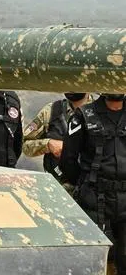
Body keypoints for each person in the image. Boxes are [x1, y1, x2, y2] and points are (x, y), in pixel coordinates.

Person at [61, 93, 126, 274]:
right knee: (93, 261)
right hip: (95, 199)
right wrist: (87, 184)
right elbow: (68, 160)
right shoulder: (84, 115)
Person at [24, 92, 91, 188]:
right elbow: (25, 145)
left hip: (91, 189)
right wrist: (48, 144)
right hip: (57, 187)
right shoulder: (51, 111)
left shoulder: (100, 110)